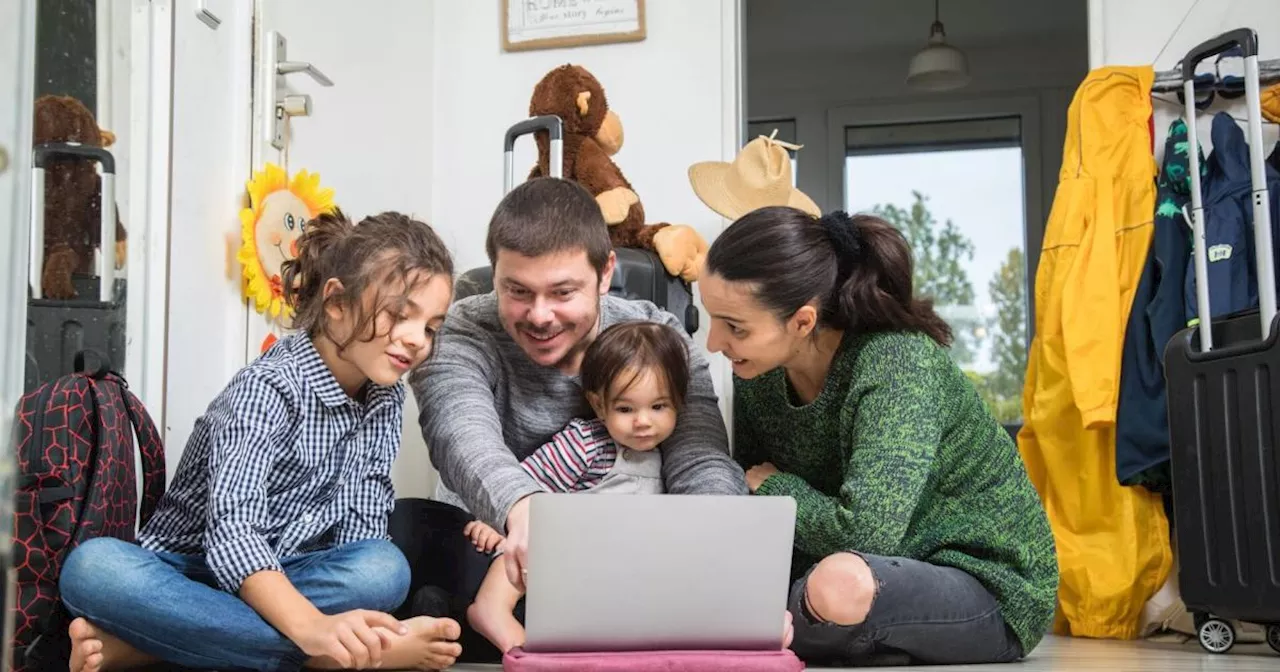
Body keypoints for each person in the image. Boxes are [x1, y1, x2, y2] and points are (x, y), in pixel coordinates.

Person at [58, 210, 465, 672]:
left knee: (383, 567)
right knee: (93, 569)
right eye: (398, 315)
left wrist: (335, 612)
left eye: (430, 327)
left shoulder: (386, 398)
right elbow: (233, 535)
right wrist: (314, 629)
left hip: (291, 577)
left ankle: (149, 646)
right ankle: (333, 656)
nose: (416, 341)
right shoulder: (268, 388)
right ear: (336, 302)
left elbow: (360, 534)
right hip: (192, 573)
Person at [697, 206, 1059, 666]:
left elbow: (869, 531)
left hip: (985, 583)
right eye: (712, 318)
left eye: (735, 327)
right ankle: (831, 634)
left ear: (803, 321)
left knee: (839, 586)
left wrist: (776, 487)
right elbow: (762, 516)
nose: (713, 343)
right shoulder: (758, 376)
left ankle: (810, 629)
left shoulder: (896, 363)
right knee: (751, 597)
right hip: (858, 567)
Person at [407, 177, 747, 661]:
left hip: (624, 552)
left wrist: (718, 555)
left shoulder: (660, 337)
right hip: (497, 547)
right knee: (413, 530)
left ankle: (476, 622)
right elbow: (460, 432)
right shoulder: (462, 329)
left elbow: (699, 458)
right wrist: (523, 511)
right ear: (495, 276)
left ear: (605, 273)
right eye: (517, 291)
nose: (540, 315)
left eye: (563, 292)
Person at [461, 320, 687, 652]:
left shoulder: (670, 458)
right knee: (536, 535)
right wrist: (494, 522)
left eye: (658, 407)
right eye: (625, 408)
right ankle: (492, 607)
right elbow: (523, 486)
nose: (643, 421)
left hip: (613, 573)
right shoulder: (586, 443)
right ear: (599, 404)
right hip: (564, 560)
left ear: (678, 404)